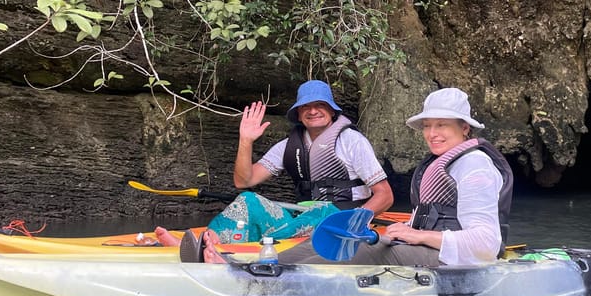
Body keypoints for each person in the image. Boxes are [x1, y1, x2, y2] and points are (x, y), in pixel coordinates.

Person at [261, 87, 513, 266]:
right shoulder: (439, 163)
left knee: (363, 254)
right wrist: (407, 228)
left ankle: (281, 283)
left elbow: (486, 244)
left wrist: (418, 235)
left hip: (454, 260)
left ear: (464, 127)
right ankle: (265, 270)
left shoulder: (475, 166)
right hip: (427, 246)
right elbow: (431, 216)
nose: (432, 133)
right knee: (323, 245)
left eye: (442, 124)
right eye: (427, 125)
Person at [170, 80, 394, 256]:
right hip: (302, 216)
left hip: (338, 217)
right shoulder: (288, 146)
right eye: (306, 106)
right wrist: (245, 140)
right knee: (248, 199)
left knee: (321, 213)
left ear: (332, 111)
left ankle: (232, 249)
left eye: (320, 105)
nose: (313, 110)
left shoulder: (352, 141)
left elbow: (385, 195)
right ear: (298, 113)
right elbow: (243, 181)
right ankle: (207, 242)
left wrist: (353, 221)